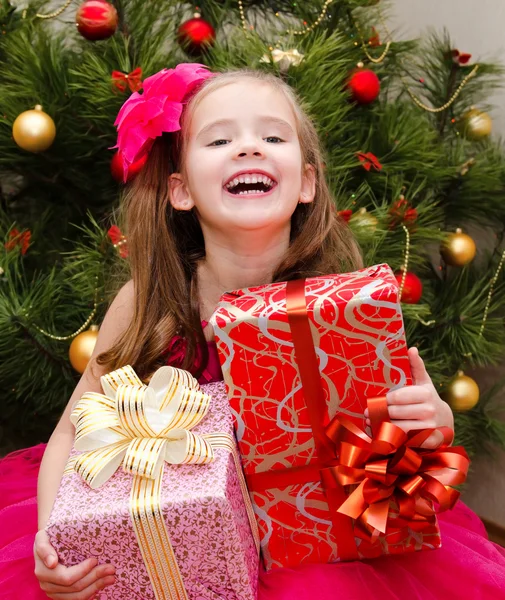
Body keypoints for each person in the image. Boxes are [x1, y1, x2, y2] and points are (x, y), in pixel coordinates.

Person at [1, 63, 504, 600]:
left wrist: (432, 422)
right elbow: (71, 433)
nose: (248, 148)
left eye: (271, 135)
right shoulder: (149, 302)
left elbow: (397, 485)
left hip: (314, 556)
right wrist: (52, 538)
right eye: (219, 139)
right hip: (181, 556)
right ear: (181, 191)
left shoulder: (342, 312)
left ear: (307, 181)